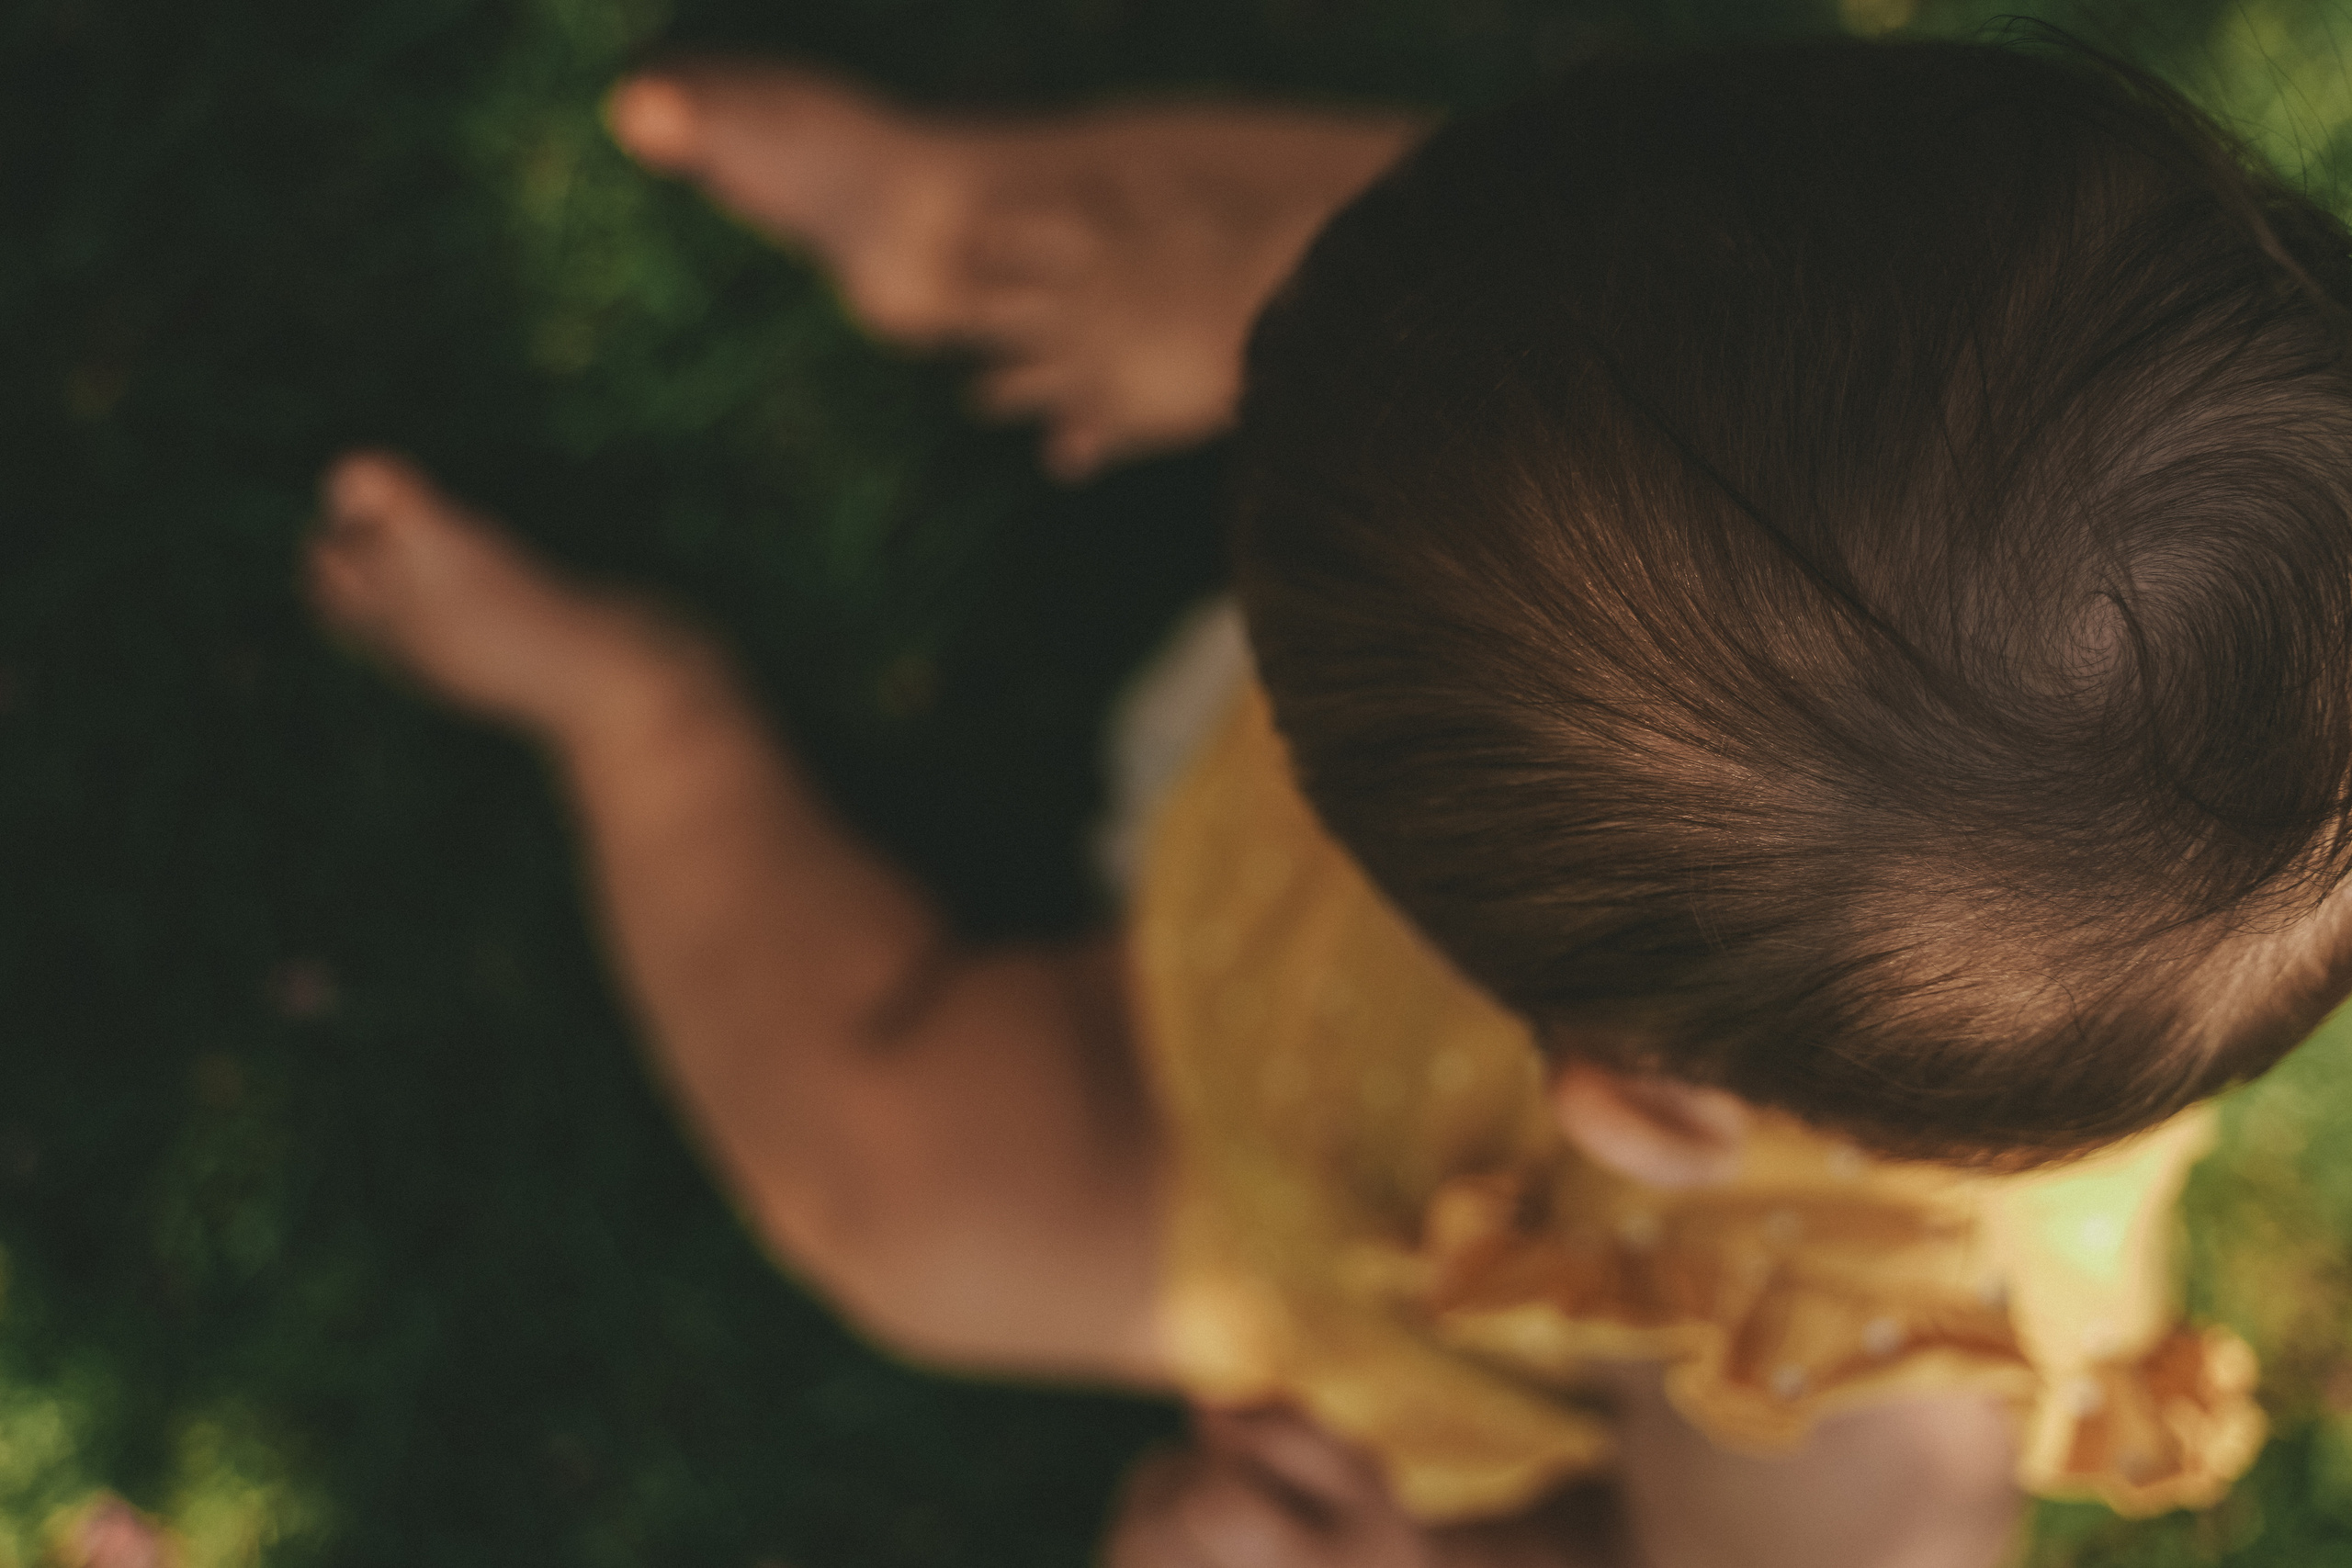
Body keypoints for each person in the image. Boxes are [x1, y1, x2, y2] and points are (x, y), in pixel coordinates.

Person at [305, 32, 2352, 1568]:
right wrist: (1290, 304)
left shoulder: (1833, 1391)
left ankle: (639, 721)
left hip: (1296, 1140)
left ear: (1638, 1101)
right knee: (1408, 245)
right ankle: (984, 226)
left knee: (901, 1192)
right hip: (1563, 571)